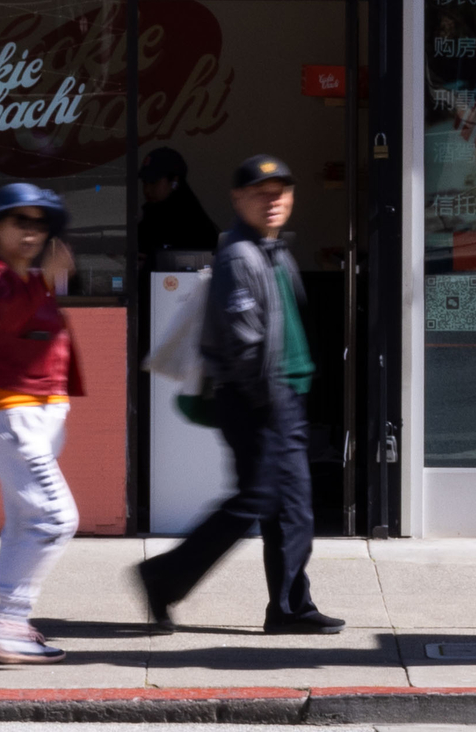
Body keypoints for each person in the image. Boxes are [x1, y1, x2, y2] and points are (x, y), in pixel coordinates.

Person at [135, 154, 343, 635]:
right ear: (238, 199)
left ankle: (290, 607)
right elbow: (242, 339)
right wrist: (266, 402)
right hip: (257, 400)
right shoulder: (238, 256)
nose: (273, 202)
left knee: (289, 507)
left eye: (281, 193)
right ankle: (162, 576)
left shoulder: (275, 251)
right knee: (256, 500)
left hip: (283, 395)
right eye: (261, 193)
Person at [0, 182, 85, 664]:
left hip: (32, 417)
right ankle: (7, 618)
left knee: (25, 524)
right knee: (56, 519)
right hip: (12, 416)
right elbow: (9, 321)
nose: (32, 232)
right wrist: (44, 281)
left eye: (40, 223)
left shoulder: (25, 277)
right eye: (21, 221)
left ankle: (8, 620)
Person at [136, 146, 220, 270]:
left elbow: (203, 266)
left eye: (153, 182)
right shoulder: (149, 219)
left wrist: (153, 264)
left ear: (174, 181)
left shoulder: (194, 225)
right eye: (144, 182)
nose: (147, 189)